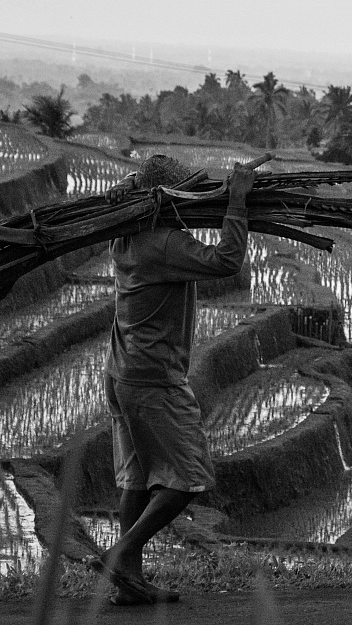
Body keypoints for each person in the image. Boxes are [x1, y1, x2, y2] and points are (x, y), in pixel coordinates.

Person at [91, 154, 254, 606]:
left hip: (122, 374)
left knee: (137, 480)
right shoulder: (162, 244)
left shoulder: (126, 237)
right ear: (165, 201)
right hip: (153, 381)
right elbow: (226, 261)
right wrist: (236, 202)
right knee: (187, 479)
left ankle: (130, 582)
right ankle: (119, 554)